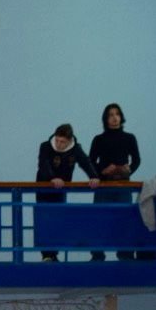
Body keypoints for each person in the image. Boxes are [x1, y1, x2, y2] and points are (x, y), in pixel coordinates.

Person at [35, 124, 99, 261]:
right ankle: (46, 255)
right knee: (44, 221)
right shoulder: (45, 146)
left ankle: (53, 254)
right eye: (57, 140)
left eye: (62, 142)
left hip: (60, 191)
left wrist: (94, 176)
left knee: (58, 220)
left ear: (69, 141)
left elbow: (86, 162)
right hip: (43, 189)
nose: (58, 144)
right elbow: (43, 164)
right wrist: (52, 178)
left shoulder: (75, 149)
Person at [89, 103, 141, 261]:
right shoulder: (99, 139)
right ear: (106, 119)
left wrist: (129, 169)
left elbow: (137, 160)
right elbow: (90, 162)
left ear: (121, 117)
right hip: (104, 185)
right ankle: (97, 255)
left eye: (117, 114)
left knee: (124, 219)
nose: (114, 117)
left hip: (123, 185)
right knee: (100, 219)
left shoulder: (129, 138)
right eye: (111, 115)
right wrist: (103, 171)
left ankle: (125, 254)